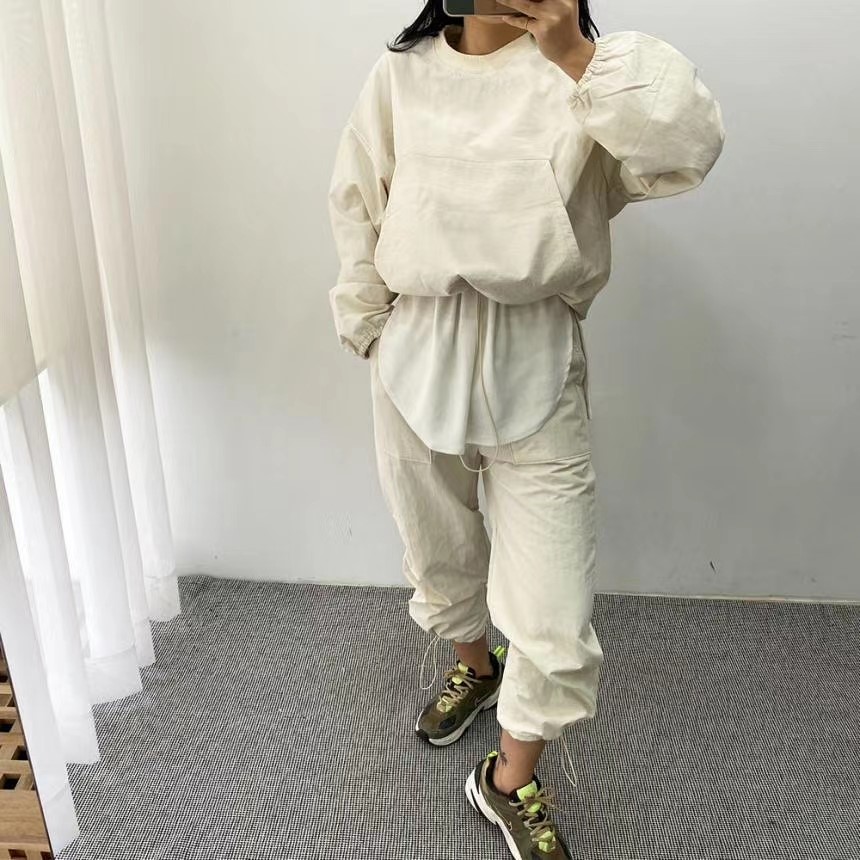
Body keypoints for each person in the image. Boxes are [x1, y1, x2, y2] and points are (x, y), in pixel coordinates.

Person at [327, 0, 725, 856]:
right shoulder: (402, 74)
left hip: (535, 352)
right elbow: (359, 199)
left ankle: (507, 779)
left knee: (553, 608)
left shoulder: (586, 76)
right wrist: (369, 327)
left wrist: (575, 54)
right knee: (438, 543)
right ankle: (474, 668)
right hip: (417, 344)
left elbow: (688, 147)